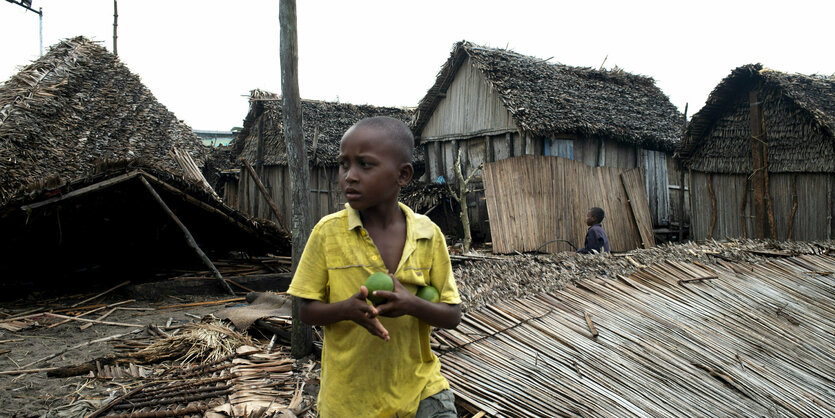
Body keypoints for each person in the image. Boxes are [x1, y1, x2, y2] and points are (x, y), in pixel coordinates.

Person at [287, 116, 462, 417]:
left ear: (403, 175)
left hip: (421, 389)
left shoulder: (427, 234)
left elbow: (452, 315)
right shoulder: (328, 234)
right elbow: (304, 311)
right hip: (351, 400)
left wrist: (411, 304)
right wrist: (345, 310)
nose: (349, 176)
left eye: (365, 165)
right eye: (344, 164)